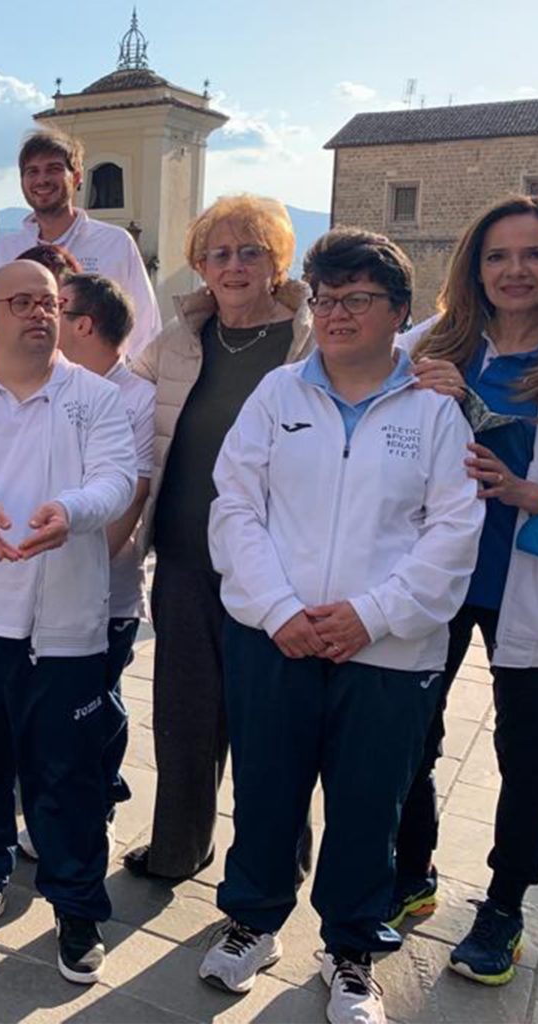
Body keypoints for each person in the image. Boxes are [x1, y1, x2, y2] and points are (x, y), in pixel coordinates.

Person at [199, 229, 483, 1024]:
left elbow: (454, 531)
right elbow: (235, 506)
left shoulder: (434, 410)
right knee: (266, 789)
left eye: (358, 298)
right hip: (274, 638)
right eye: (325, 298)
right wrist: (278, 610)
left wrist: (371, 615)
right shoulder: (278, 395)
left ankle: (351, 952)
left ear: (400, 312)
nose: (336, 314)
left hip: (389, 651)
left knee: (368, 806)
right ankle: (253, 921)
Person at [390, 196, 538, 985]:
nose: (514, 270)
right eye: (498, 255)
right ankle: (411, 872)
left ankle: (502, 908)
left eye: (534, 255)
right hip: (438, 578)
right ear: (475, 266)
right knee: (409, 734)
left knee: (526, 754)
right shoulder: (429, 345)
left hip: (533, 583)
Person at [0, 260, 135, 985]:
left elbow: (116, 480)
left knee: (66, 778)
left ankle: (77, 907)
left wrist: (70, 512)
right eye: (22, 302)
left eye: (50, 303)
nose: (40, 313)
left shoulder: (95, 398)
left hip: (60, 630)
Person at [125, 195, 315, 883]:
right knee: (184, 716)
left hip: (278, 566)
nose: (233, 266)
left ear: (277, 262)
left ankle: (273, 867)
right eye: (219, 254)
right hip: (184, 555)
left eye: (250, 252)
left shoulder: (308, 342)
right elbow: (110, 392)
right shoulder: (180, 339)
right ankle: (179, 847)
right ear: (201, 266)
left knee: (272, 723)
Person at [16, 272, 149, 863]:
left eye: (56, 309)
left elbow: (131, 495)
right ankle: (52, 808)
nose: (42, 319)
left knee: (96, 705)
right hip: (37, 586)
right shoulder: (47, 383)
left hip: (103, 592)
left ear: (84, 325)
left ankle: (99, 807)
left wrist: (88, 574)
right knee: (51, 714)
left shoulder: (134, 397)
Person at [0, 129, 159, 354]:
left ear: (76, 177)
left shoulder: (115, 244)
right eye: (32, 171)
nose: (42, 180)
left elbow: (145, 326)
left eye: (54, 169)